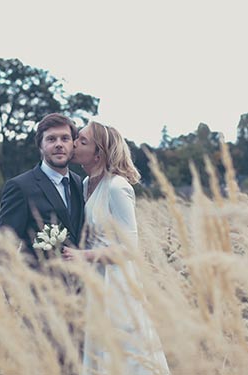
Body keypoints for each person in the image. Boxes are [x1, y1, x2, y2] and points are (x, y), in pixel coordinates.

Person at [62, 120, 171, 374]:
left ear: (98, 153)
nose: (74, 143)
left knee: (121, 355)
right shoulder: (83, 184)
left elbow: (130, 249)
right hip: (92, 282)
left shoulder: (117, 187)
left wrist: (83, 256)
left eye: (82, 141)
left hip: (116, 284)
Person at [0, 113, 84, 269]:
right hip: (39, 290)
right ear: (40, 145)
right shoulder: (20, 187)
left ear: (73, 144)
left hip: (83, 288)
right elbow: (3, 251)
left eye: (65, 138)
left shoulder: (79, 183)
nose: (59, 144)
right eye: (51, 139)